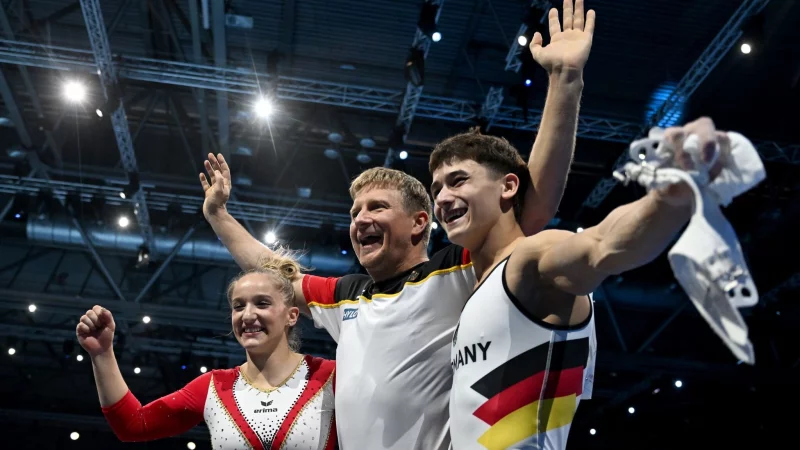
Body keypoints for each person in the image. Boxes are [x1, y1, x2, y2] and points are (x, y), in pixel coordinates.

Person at [198, 2, 595, 448]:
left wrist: (565, 81)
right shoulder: (346, 296)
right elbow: (273, 268)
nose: (360, 220)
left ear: (419, 222)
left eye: (376, 208)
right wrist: (218, 215)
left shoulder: (463, 268)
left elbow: (530, 205)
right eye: (354, 213)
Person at [428, 116, 729, 449]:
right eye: (436, 188)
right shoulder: (477, 290)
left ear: (508, 186)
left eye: (457, 181)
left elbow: (602, 245)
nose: (441, 197)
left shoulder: (530, 260)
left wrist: (669, 198)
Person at [76, 256, 337, 450]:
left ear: (291, 315)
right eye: (238, 306)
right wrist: (102, 353)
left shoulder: (331, 377)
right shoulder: (214, 387)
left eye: (262, 303)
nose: (247, 315)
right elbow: (133, 424)